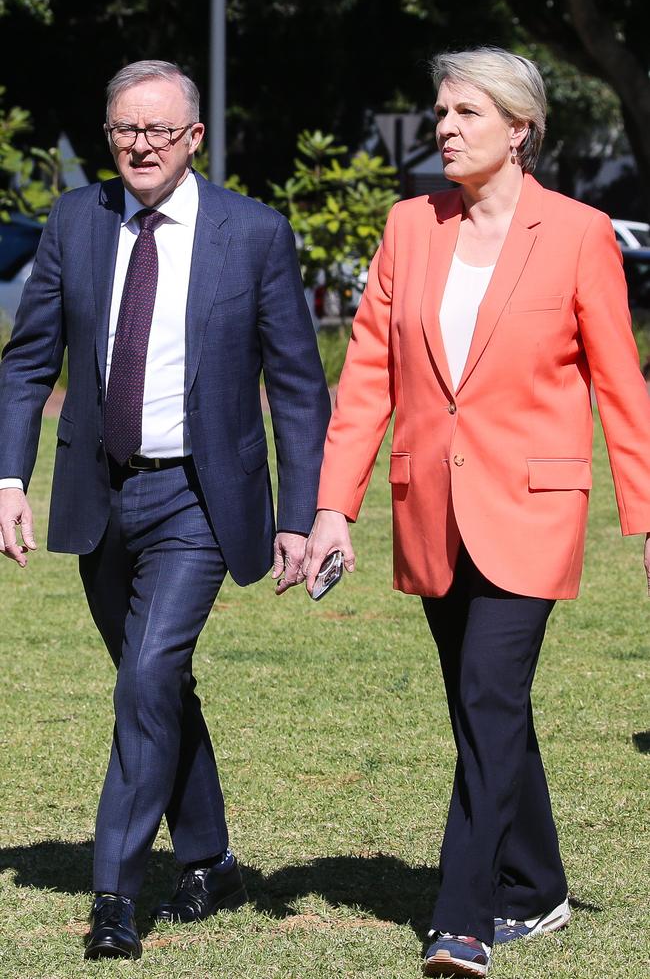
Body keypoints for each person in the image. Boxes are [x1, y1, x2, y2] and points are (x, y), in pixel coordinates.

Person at [303, 47, 650, 978]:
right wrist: (335, 506)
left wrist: (647, 516)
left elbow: (623, 385)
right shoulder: (409, 226)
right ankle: (537, 889)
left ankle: (463, 916)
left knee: (491, 696)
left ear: (519, 128)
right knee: (483, 706)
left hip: (530, 507)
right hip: (430, 507)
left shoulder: (579, 233)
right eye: (440, 110)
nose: (444, 127)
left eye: (465, 111)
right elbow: (367, 377)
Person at [0, 60, 330, 961]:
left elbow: (299, 388)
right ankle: (212, 856)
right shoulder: (76, 221)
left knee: (144, 679)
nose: (138, 146)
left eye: (157, 130)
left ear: (194, 139)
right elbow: (28, 363)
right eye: (122, 130)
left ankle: (114, 892)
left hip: (201, 497)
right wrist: (8, 479)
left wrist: (302, 513)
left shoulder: (253, 233)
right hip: (98, 494)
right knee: (160, 689)